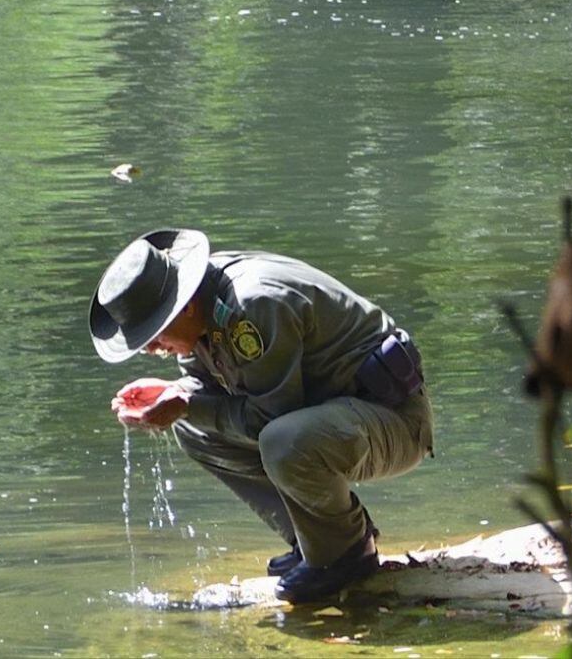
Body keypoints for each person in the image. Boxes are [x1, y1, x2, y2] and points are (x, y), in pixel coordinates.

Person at [89, 228, 433, 603]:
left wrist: (187, 403)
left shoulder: (253, 305)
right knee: (194, 428)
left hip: (395, 422)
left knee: (281, 440)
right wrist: (175, 397)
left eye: (153, 336)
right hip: (334, 423)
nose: (152, 349)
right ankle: (316, 541)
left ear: (183, 306)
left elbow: (271, 418)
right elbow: (208, 391)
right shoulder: (201, 305)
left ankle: (345, 554)